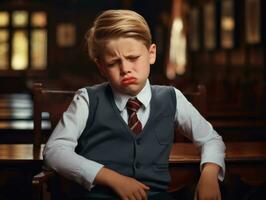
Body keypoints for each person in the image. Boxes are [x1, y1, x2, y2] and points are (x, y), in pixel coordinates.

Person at [43, 9, 225, 200]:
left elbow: (211, 139)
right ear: (101, 67)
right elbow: (55, 150)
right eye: (113, 63)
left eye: (133, 58)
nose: (125, 69)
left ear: (151, 54)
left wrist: (209, 175)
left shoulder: (172, 98)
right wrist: (113, 179)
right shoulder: (87, 99)